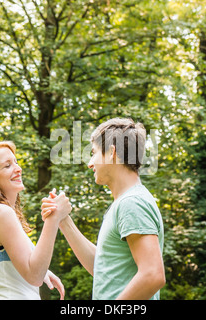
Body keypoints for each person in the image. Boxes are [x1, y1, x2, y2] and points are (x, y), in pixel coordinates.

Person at [42, 118, 165, 300]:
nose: (90, 163)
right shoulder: (124, 203)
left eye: (94, 153)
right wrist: (63, 220)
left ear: (111, 153)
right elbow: (101, 268)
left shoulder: (132, 203)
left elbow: (153, 275)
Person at [0, 141, 70, 300]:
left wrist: (44, 270)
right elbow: (34, 276)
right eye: (7, 166)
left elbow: (15, 266)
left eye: (16, 162)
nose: (18, 169)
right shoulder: (0, 213)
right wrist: (53, 219)